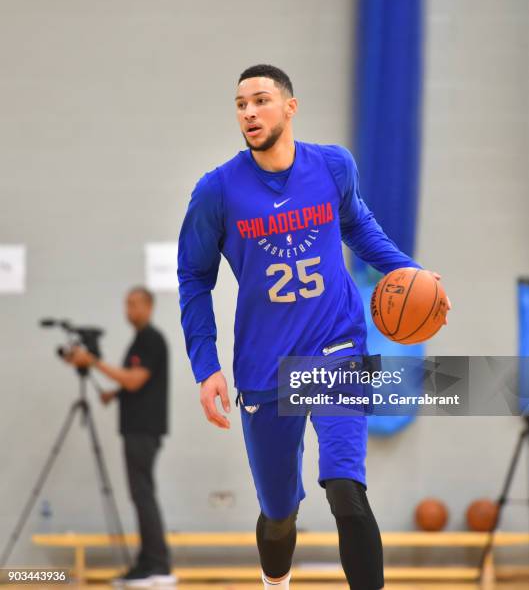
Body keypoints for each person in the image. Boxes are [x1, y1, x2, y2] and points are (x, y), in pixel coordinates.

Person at [177, 64, 450, 590]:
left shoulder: (331, 166)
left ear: (289, 106)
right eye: (240, 105)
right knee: (279, 514)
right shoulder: (217, 191)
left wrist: (406, 270)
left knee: (346, 488)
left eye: (260, 100)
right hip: (265, 367)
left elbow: (358, 226)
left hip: (337, 347)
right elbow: (193, 278)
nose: (249, 112)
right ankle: (275, 582)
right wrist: (205, 365)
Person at [65, 286, 175, 588]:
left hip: (143, 429)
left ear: (149, 307)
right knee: (140, 494)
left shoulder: (151, 339)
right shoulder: (139, 341)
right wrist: (113, 393)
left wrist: (93, 362)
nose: (130, 310)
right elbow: (130, 383)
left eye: (135, 304)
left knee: (142, 494)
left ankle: (158, 565)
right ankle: (147, 561)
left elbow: (135, 380)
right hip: (136, 427)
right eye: (127, 304)